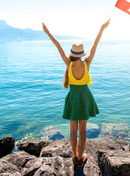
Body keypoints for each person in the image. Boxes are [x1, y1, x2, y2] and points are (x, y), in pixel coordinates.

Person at [42, 19, 110, 168]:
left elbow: (58, 46)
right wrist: (102, 28)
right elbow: (95, 44)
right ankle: (81, 158)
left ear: (72, 52)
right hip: (85, 96)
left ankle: (75, 156)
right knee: (83, 130)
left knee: (73, 129)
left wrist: (48, 33)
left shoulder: (69, 64)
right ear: (82, 53)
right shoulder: (87, 63)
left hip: (73, 96)